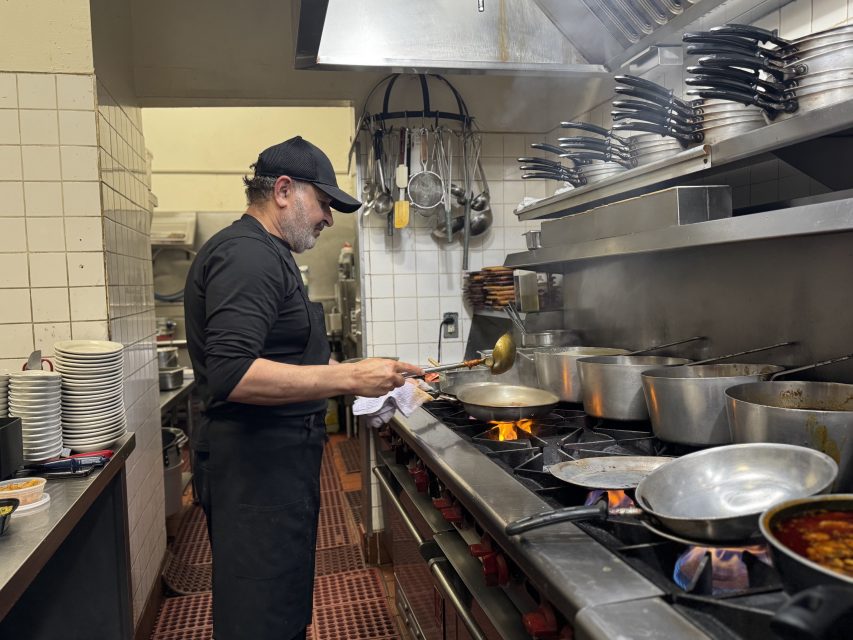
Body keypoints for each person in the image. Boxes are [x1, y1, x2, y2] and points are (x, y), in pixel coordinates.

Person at [183, 136, 423, 640]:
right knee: (261, 614)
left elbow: (290, 356)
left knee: (280, 601)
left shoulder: (269, 253)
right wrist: (349, 377)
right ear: (285, 191)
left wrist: (373, 378)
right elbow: (234, 373)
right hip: (256, 470)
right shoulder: (248, 257)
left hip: (275, 465)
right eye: (325, 202)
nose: (329, 218)